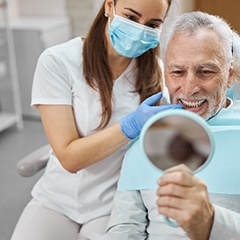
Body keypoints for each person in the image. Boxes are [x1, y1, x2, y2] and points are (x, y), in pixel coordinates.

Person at [11, 1, 183, 240]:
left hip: (113, 204)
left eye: (152, 24)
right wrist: (130, 125)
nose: (140, 30)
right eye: (131, 18)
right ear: (109, 6)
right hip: (56, 199)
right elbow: (70, 158)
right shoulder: (58, 62)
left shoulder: (157, 73)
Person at [100, 11, 240, 240]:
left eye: (205, 72)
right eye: (177, 72)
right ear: (165, 75)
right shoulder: (145, 140)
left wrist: (212, 223)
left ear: (229, 75)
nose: (189, 88)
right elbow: (124, 228)